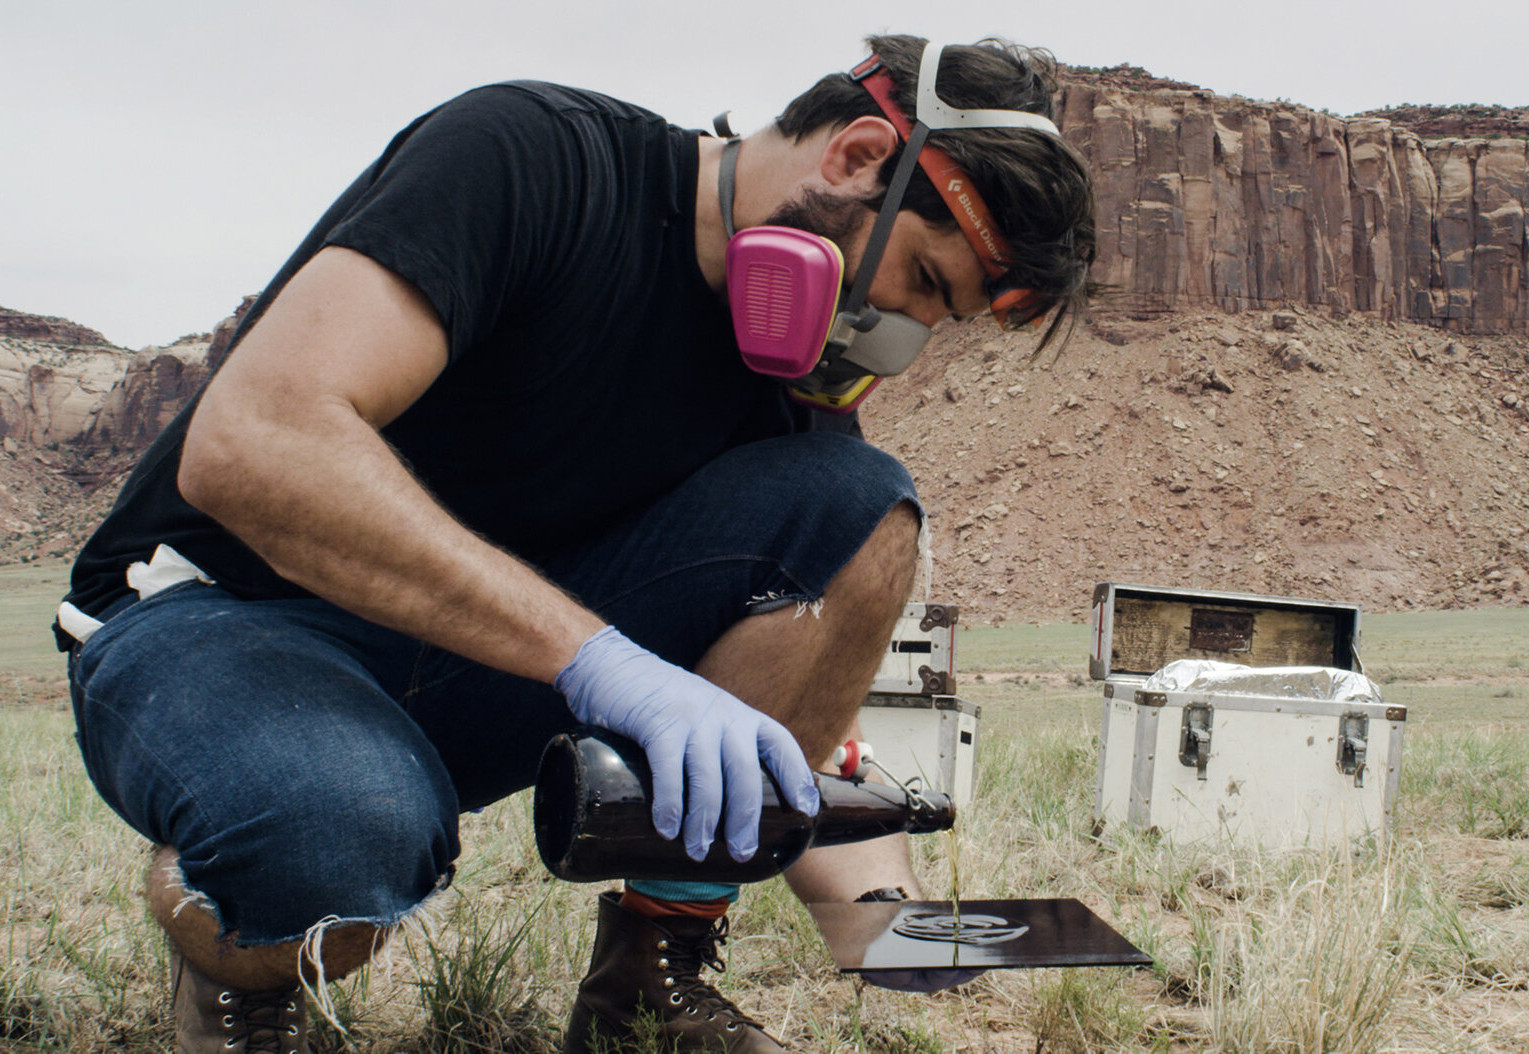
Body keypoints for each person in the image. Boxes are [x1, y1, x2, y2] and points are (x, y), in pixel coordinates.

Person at [56, 33, 1095, 1054]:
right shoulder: (533, 157)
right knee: (332, 837)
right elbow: (252, 445)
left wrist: (884, 919)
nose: (897, 337)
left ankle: (647, 981)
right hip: (220, 613)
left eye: (935, 318)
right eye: (918, 277)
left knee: (858, 503)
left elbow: (784, 699)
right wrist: (599, 660)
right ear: (859, 155)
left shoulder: (778, 385)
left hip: (469, 656)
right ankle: (236, 934)